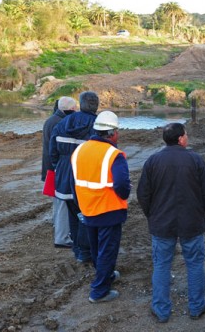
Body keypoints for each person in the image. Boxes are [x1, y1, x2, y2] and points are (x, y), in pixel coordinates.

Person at [137, 123, 205, 323]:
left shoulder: (153, 161)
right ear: (181, 139)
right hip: (191, 221)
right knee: (195, 263)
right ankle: (196, 307)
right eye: (186, 135)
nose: (187, 137)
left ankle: (161, 310)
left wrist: (151, 215)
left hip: (162, 222)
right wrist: (202, 211)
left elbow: (143, 194)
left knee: (161, 265)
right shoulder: (195, 159)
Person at [71, 111, 131, 303]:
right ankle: (99, 291)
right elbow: (122, 185)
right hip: (109, 210)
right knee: (107, 251)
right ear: (112, 133)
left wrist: (81, 203)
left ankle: (106, 275)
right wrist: (124, 196)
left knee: (97, 248)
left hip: (88, 209)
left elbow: (74, 182)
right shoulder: (114, 155)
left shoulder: (80, 150)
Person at [50, 90, 99, 264]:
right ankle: (86, 252)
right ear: (96, 106)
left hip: (64, 174)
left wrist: (60, 168)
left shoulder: (64, 122)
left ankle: (78, 251)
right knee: (88, 214)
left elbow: (52, 151)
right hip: (85, 176)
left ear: (80, 104)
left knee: (73, 214)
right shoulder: (97, 124)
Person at [41, 96, 77, 248]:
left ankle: (57, 225)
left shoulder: (51, 120)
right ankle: (62, 234)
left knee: (57, 198)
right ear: (70, 109)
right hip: (55, 166)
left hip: (51, 165)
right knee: (61, 198)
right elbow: (56, 148)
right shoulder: (61, 122)